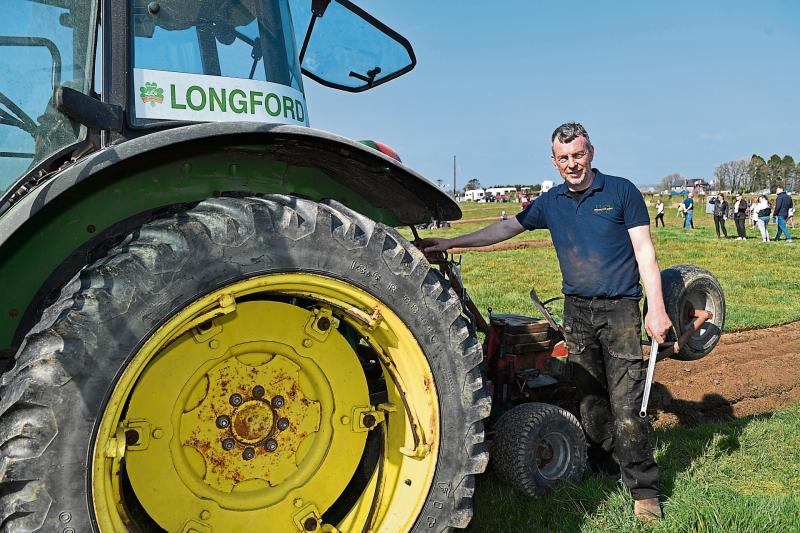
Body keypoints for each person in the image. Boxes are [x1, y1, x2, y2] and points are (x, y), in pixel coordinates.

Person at [421, 123, 671, 521]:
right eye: (564, 158)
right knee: (588, 398)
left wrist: (655, 308)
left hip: (620, 310)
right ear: (553, 161)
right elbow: (506, 227)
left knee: (626, 403)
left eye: (578, 155)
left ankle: (644, 489)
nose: (572, 164)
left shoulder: (621, 192)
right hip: (577, 311)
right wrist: (451, 243)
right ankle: (605, 466)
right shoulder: (551, 202)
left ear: (591, 152)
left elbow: (644, 252)